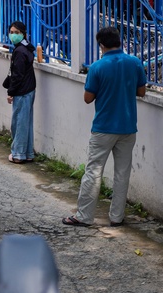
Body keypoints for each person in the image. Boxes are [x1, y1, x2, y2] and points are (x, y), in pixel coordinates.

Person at [62, 26, 146, 227]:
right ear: (120, 41)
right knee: (122, 172)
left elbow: (88, 98)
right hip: (128, 127)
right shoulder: (135, 63)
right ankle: (117, 217)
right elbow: (141, 92)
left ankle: (84, 216)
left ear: (101, 45)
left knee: (93, 171)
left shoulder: (98, 67)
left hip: (104, 128)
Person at [4, 21, 36, 164]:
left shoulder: (19, 52)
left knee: (19, 123)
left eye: (16, 32)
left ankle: (18, 154)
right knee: (26, 122)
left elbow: (17, 75)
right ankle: (27, 153)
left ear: (23, 33)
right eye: (11, 32)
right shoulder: (26, 48)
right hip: (28, 89)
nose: (13, 35)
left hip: (22, 91)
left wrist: (11, 92)